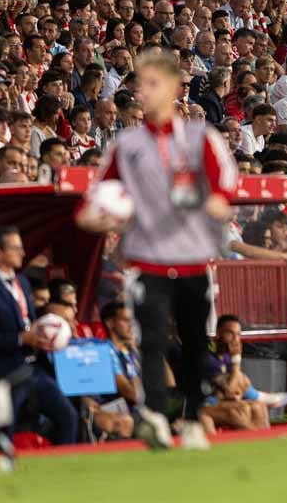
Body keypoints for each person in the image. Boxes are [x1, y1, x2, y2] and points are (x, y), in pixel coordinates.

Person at [76, 49, 239, 450]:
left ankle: (196, 415)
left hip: (192, 259)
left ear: (173, 89)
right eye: (140, 84)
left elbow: (225, 188)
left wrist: (215, 203)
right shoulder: (126, 144)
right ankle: (152, 416)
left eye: (153, 84)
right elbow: (100, 197)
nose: (144, 93)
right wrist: (95, 215)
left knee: (195, 343)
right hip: (147, 260)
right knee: (150, 340)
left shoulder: (202, 138)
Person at [0, 225, 78, 445]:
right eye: (16, 248)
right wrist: (20, 338)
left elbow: (30, 323)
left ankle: (63, 472)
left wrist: (45, 334)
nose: (23, 253)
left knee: (68, 416)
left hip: (32, 369)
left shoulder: (23, 282)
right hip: (3, 374)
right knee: (3, 435)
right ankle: (2, 474)